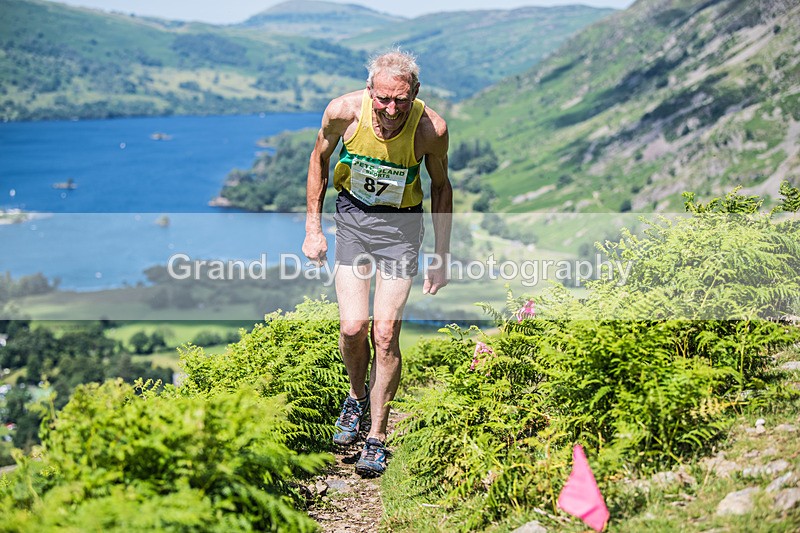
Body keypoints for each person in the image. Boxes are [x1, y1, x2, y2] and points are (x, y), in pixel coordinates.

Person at [302, 49, 453, 477]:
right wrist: (313, 229)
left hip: (402, 229)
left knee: (385, 333)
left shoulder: (431, 129)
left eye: (400, 101)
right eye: (383, 99)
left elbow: (442, 188)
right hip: (352, 219)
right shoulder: (343, 112)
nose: (390, 110)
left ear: (415, 93)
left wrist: (441, 256)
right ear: (370, 91)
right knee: (353, 327)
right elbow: (319, 160)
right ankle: (356, 397)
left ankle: (377, 436)